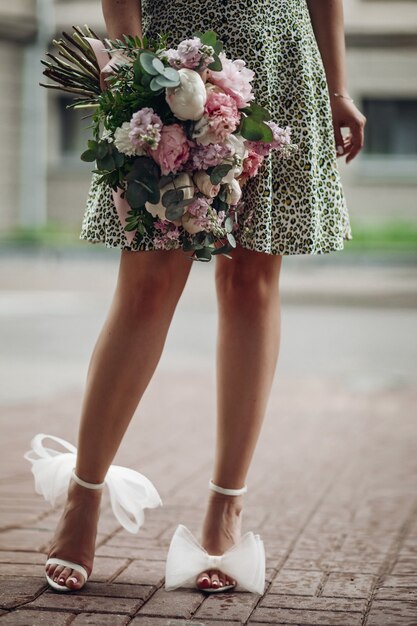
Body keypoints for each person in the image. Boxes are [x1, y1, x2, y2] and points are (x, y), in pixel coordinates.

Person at [25, 0, 366, 594]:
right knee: (148, 284)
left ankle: (225, 513)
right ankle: (83, 499)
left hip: (281, 61)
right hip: (174, 58)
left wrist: (337, 86)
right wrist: (133, 66)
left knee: (251, 282)